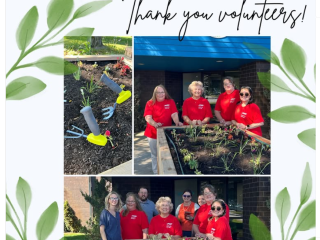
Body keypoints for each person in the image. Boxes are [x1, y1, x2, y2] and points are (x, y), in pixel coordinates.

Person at [144, 85, 183, 174]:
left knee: (167, 153)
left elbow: (174, 114)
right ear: (155, 94)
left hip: (166, 133)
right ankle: (156, 172)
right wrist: (155, 124)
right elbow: (148, 117)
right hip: (152, 133)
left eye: (162, 92)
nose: (161, 94)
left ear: (165, 93)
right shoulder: (150, 103)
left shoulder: (170, 102)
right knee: (155, 154)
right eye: (159, 92)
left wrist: (177, 122)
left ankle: (165, 171)